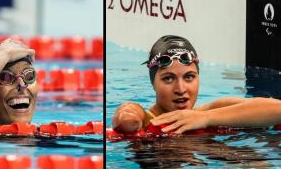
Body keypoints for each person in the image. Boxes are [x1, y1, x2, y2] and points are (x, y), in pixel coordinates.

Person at [112, 35, 281, 134]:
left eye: (189, 77)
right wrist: (135, 116)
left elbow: (277, 109)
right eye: (168, 78)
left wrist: (205, 118)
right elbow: (127, 118)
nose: (181, 89)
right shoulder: (147, 118)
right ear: (153, 83)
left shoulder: (212, 111)